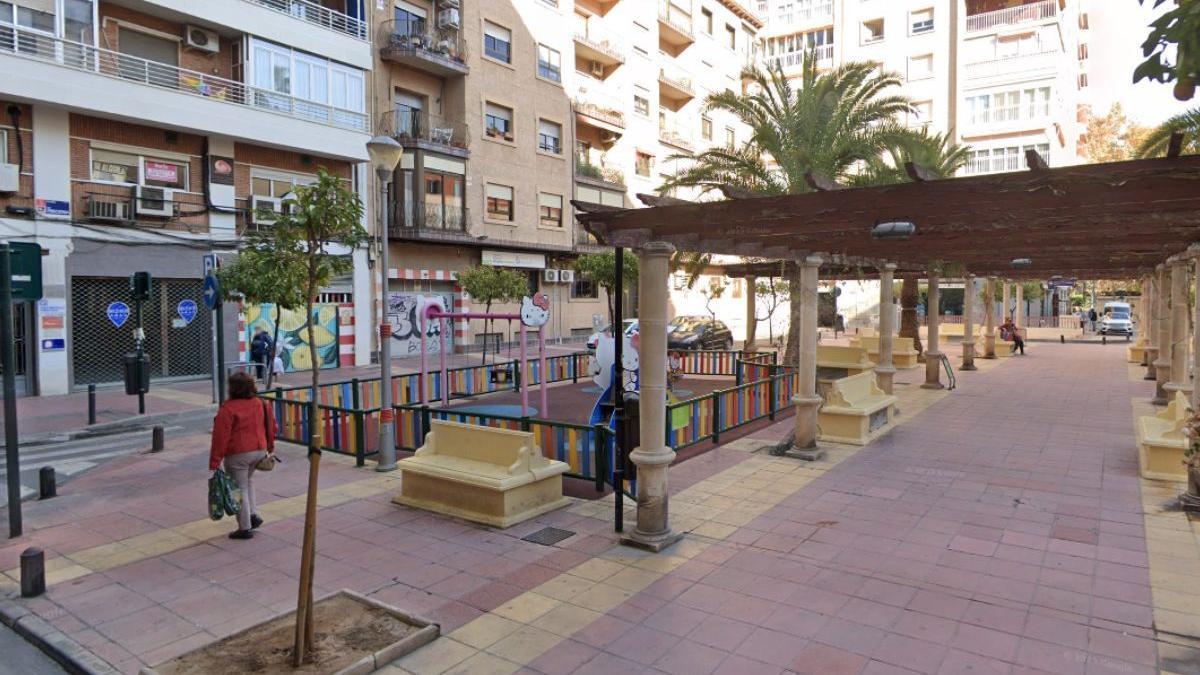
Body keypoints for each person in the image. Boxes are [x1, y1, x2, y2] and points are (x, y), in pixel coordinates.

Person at [209, 372, 277, 539]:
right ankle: (253, 515)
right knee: (248, 482)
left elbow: (220, 436)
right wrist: (270, 447)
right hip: (259, 450)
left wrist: (215, 461)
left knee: (239, 488)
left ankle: (245, 527)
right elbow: (271, 426)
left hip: (238, 453)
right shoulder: (261, 403)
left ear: (232, 388)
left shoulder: (228, 408)